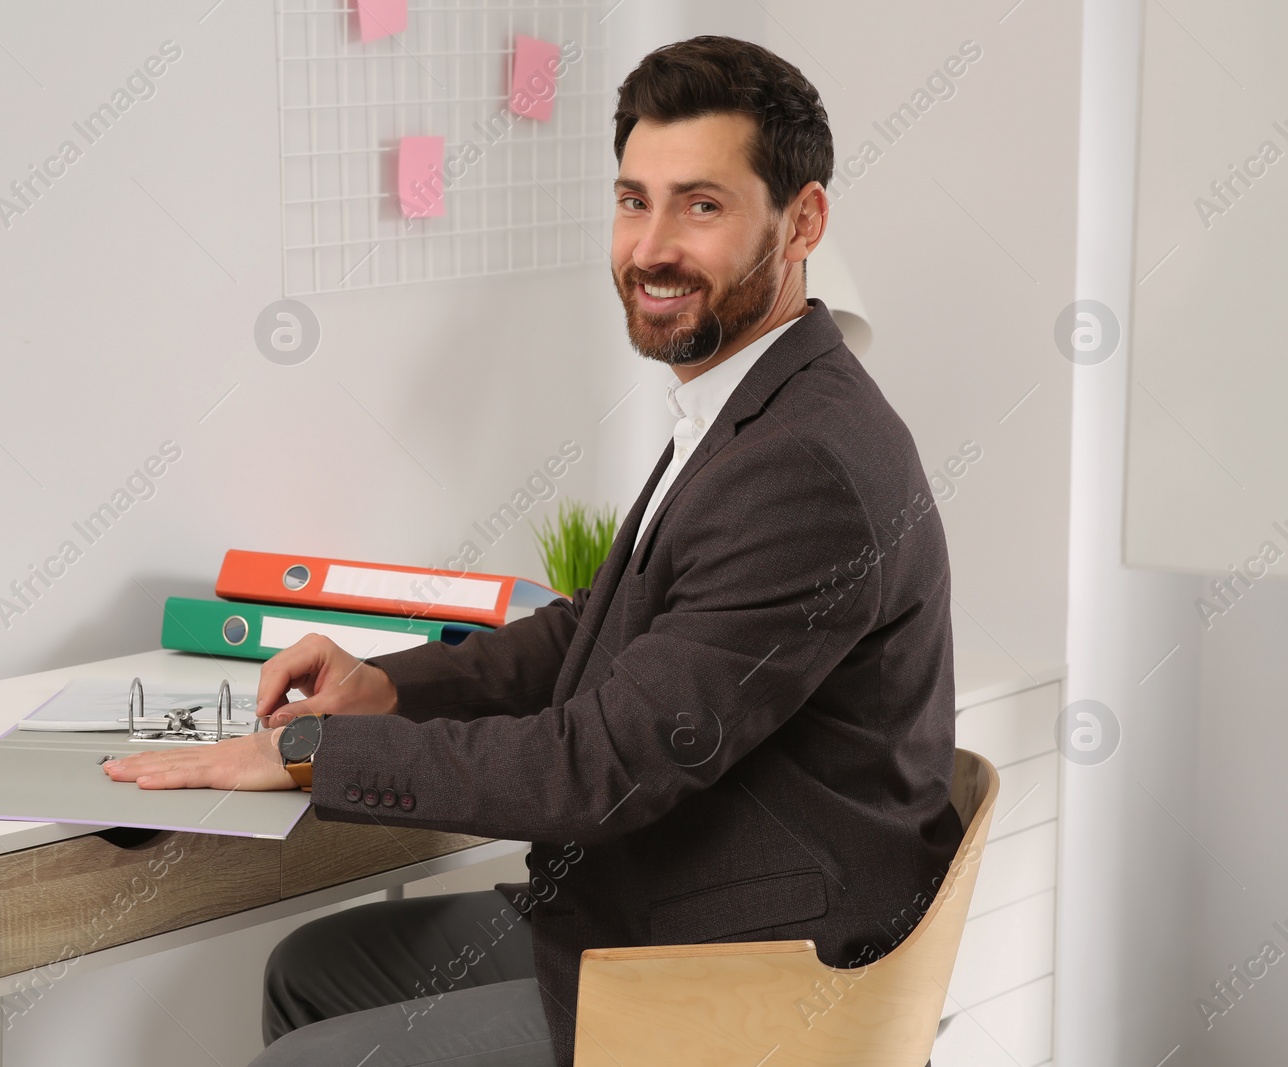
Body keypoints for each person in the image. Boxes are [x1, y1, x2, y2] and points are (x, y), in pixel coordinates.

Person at [104, 34, 964, 1067]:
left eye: (701, 205)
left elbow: (594, 766)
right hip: (661, 903)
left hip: (743, 976)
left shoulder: (804, 463)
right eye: (632, 200)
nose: (650, 246)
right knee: (311, 966)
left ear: (804, 219)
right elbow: (593, 630)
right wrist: (383, 688)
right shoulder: (755, 403)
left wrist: (303, 751)